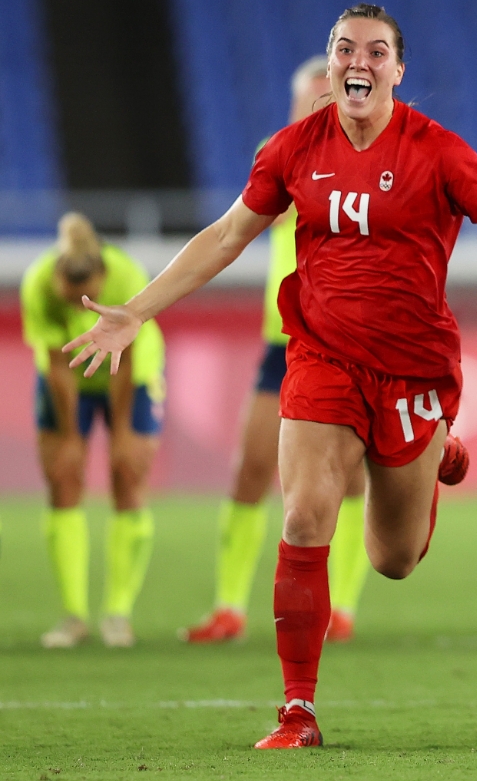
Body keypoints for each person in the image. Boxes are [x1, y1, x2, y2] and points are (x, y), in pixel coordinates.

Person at [65, 4, 477, 749]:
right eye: (344, 48)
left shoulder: (439, 151)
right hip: (322, 357)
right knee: (302, 516)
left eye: (377, 50)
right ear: (330, 64)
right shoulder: (293, 149)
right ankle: (298, 710)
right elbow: (228, 235)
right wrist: (137, 311)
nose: (360, 60)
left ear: (398, 69)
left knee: (394, 561)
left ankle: (438, 453)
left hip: (413, 368)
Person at [183, 56, 372, 645]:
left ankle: (341, 608)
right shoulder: (284, 154)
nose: (322, 104)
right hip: (284, 339)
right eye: (311, 96)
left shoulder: (365, 154)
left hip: (353, 336)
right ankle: (229, 606)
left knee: (355, 477)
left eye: (330, 95)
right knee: (251, 467)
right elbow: (254, 223)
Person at [24, 213, 164, 649]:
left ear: (103, 275)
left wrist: (121, 432)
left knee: (127, 474)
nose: (74, 303)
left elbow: (128, 357)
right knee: (63, 480)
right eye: (69, 297)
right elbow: (55, 363)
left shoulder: (126, 276)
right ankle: (74, 615)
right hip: (71, 378)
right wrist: (69, 436)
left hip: (131, 373)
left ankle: (118, 612)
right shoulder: (38, 284)